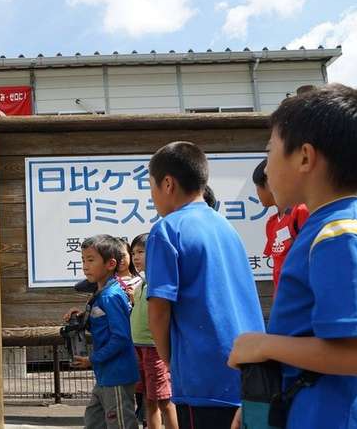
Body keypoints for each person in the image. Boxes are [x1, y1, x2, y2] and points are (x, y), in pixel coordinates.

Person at [228, 84, 357, 428]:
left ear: (305, 157)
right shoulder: (334, 226)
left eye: (270, 150)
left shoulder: (341, 234)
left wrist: (263, 345)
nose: (267, 165)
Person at [145, 141, 264, 429]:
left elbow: (158, 311)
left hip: (204, 380)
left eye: (151, 187)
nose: (152, 197)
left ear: (168, 183)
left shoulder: (167, 230)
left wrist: (172, 361)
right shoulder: (225, 227)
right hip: (250, 371)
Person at [64, 234, 139, 429]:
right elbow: (102, 322)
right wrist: (82, 318)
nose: (85, 265)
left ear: (110, 263)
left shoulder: (111, 296)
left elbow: (121, 337)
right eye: (83, 260)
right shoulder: (102, 293)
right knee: (94, 421)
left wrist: (93, 359)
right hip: (105, 375)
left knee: (121, 424)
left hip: (117, 375)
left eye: (91, 260)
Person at [130, 233, 178, 429]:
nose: (135, 257)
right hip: (138, 347)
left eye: (141, 252)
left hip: (155, 348)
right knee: (148, 400)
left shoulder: (159, 282)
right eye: (133, 252)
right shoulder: (140, 284)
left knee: (164, 400)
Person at [252, 159, 308, 295]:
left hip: (303, 300)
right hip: (283, 300)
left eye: (258, 186)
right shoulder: (271, 223)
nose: (257, 192)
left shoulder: (301, 212)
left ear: (270, 183)